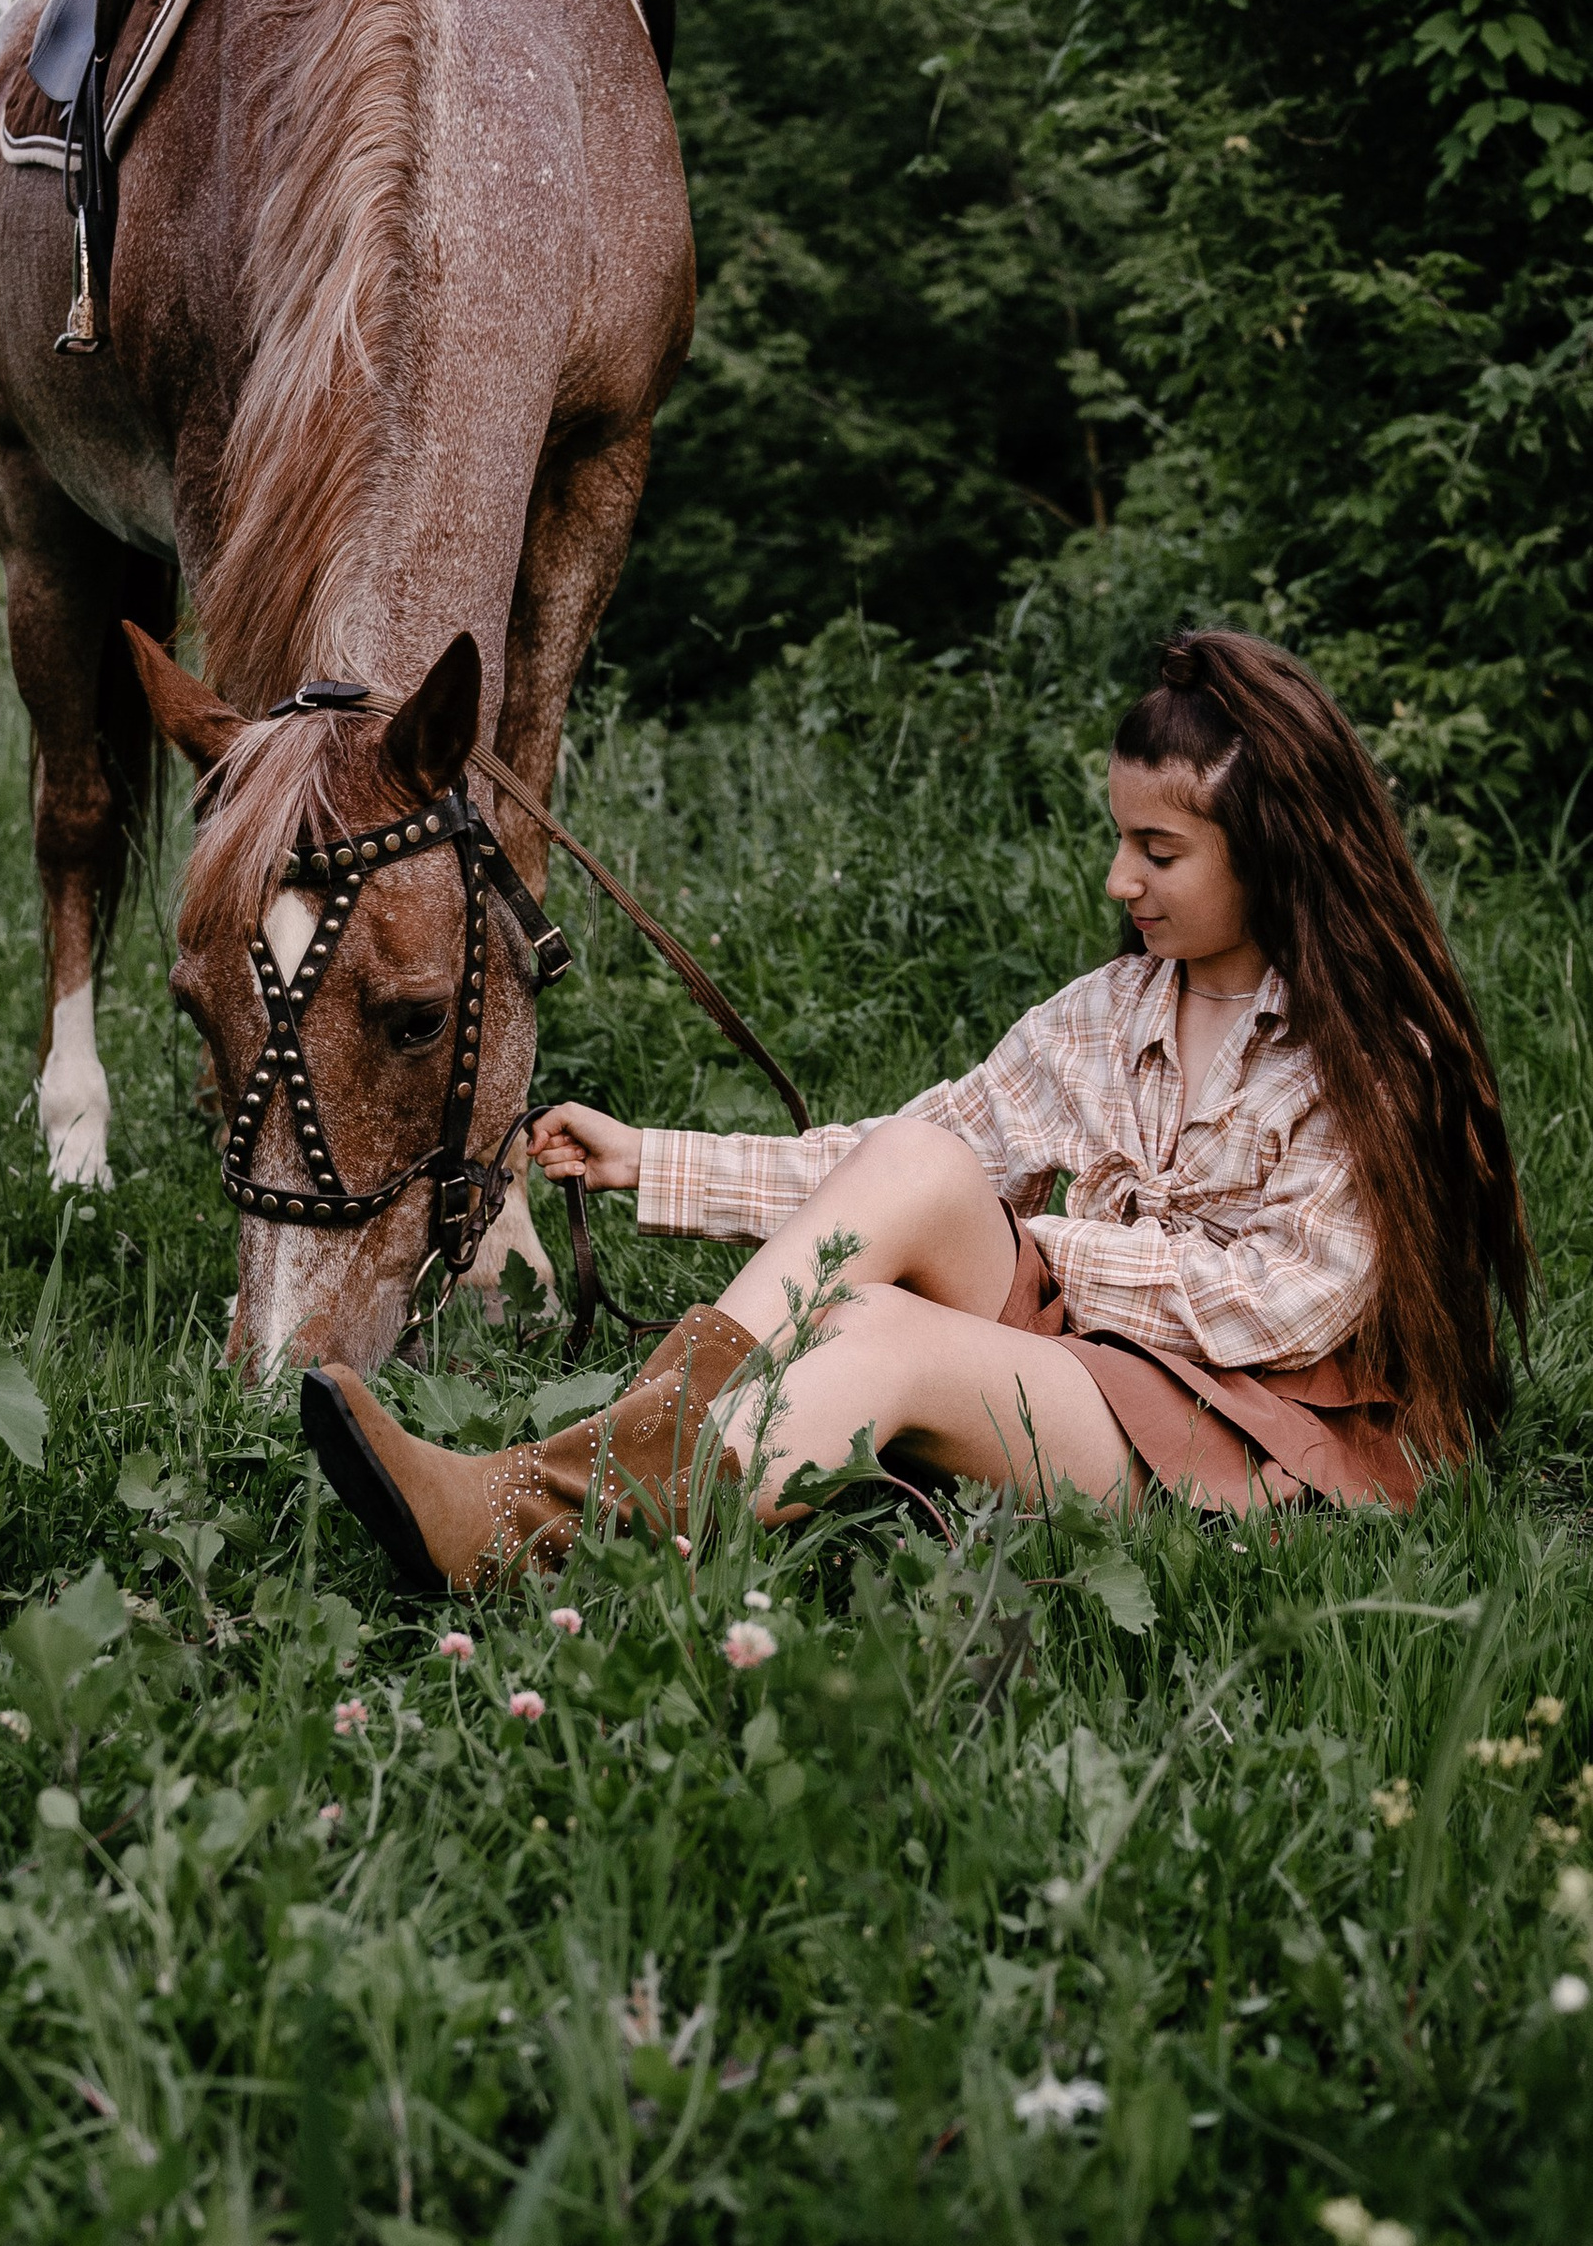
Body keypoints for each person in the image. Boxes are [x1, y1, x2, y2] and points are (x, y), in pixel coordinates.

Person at [299, 629, 1531, 1593]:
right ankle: (579, 1500)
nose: (1119, 880)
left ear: (1273, 846)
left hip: (1243, 1441)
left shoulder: (1369, 1056)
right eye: (1120, 841)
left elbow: (1284, 1302)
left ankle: (544, 1527)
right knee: (917, 1163)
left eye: (1159, 852)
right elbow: (886, 1170)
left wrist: (1042, 1251)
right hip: (1095, 1366)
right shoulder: (1111, 1008)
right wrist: (648, 1162)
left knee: (880, 1336)